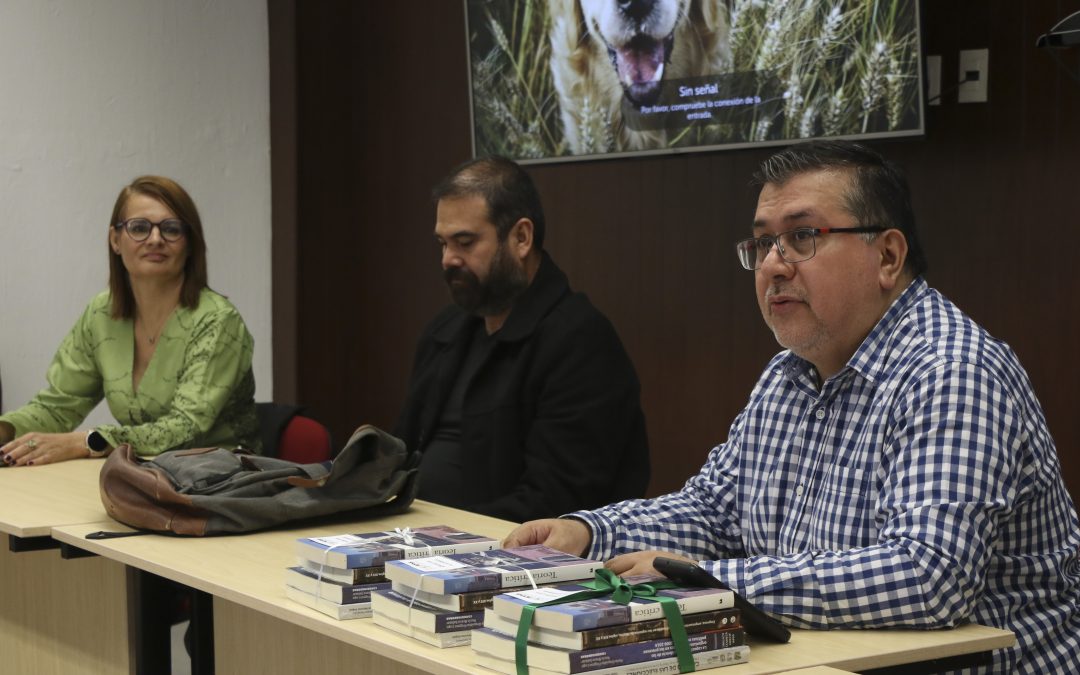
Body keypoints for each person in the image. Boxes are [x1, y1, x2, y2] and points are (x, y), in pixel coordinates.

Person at [505, 140, 1080, 672]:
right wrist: (586, 532)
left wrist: (702, 582)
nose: (772, 265)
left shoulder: (953, 370)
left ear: (888, 255)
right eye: (762, 243)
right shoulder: (790, 372)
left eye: (802, 237)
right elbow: (714, 512)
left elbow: (927, 577)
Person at [394, 155, 649, 522]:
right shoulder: (444, 331)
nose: (448, 259)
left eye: (464, 243)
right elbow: (400, 458)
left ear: (521, 237)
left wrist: (440, 539)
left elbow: (557, 504)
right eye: (443, 244)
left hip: (508, 560)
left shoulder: (581, 342)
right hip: (414, 545)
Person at [0, 175, 259, 466]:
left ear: (190, 244)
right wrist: (6, 430)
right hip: (140, 476)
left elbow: (185, 428)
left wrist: (89, 441)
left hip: (219, 482)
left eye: (171, 229)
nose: (155, 239)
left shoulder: (217, 320)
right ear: (115, 240)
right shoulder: (102, 313)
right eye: (139, 228)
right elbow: (59, 406)